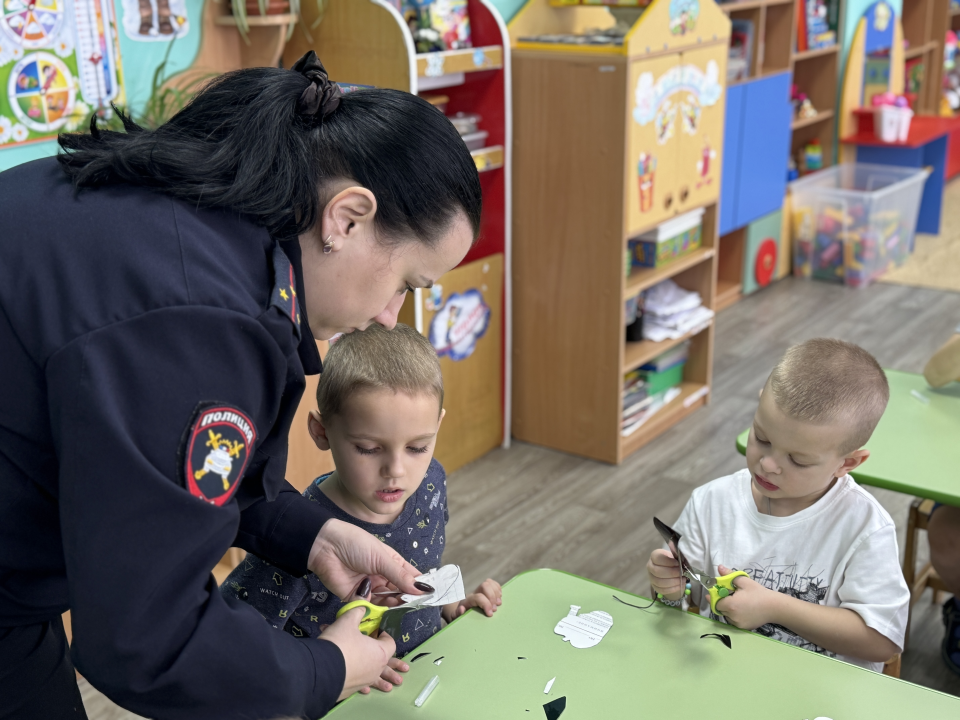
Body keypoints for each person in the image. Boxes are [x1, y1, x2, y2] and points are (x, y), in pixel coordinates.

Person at [0, 51, 482, 719]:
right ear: (345, 218)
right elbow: (145, 640)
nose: (388, 316)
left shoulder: (198, 214)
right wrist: (328, 665)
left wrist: (310, 534)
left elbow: (160, 463)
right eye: (405, 284)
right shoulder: (199, 318)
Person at [221, 323, 502, 692]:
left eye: (418, 447)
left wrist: (450, 607)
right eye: (369, 448)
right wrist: (331, 666)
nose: (397, 472)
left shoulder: (431, 481)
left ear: (438, 424)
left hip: (428, 678)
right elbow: (237, 641)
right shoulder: (293, 539)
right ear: (322, 432)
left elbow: (420, 579)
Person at [646, 339, 910, 671]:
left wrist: (775, 607)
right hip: (722, 679)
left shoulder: (865, 528)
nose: (768, 464)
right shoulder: (712, 502)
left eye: (798, 460)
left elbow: (882, 642)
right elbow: (687, 603)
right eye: (762, 438)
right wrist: (669, 588)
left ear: (848, 462)